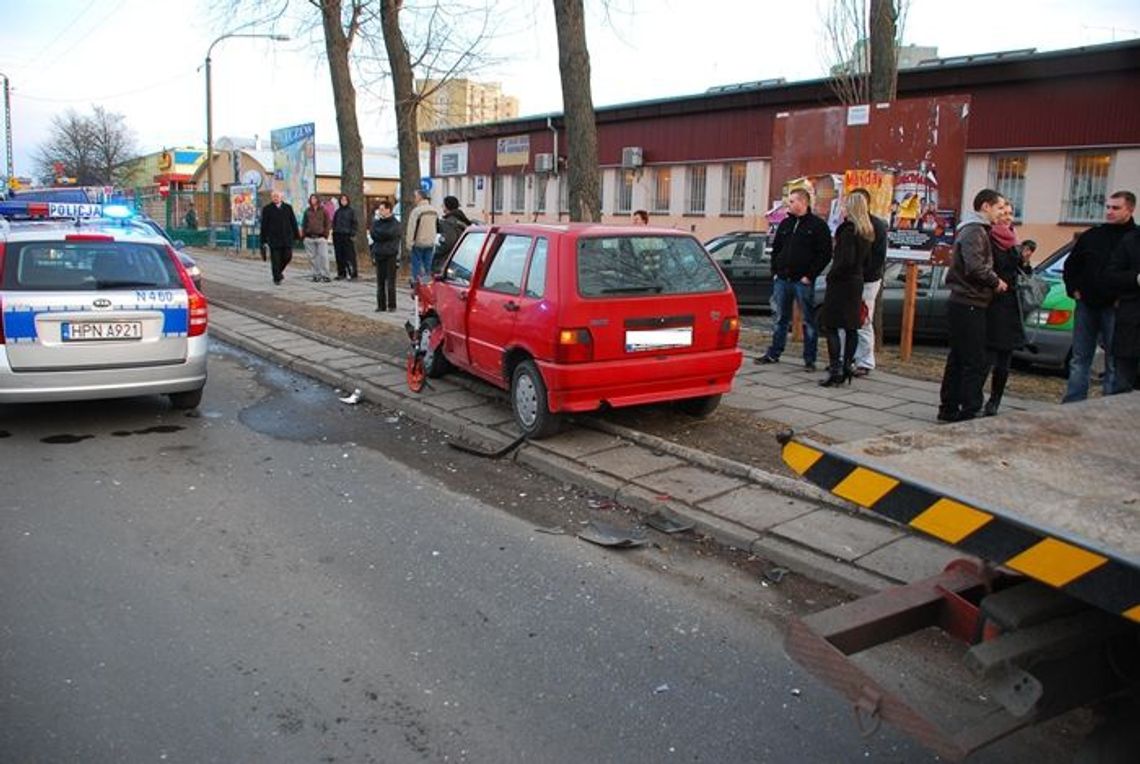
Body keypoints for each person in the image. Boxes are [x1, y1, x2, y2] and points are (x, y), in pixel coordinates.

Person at [938, 189, 1009, 422]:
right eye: (999, 207)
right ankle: (967, 408)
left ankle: (949, 407)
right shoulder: (974, 231)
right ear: (986, 206)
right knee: (973, 359)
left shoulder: (976, 230)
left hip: (966, 300)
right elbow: (975, 267)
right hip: (969, 301)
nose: (1002, 213)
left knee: (960, 358)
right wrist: (996, 281)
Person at [1060, 190, 1136, 402]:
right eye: (1108, 207)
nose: (1109, 211)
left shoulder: (1134, 239)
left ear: (1130, 209)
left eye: (1116, 208)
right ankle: (1073, 402)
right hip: (1086, 304)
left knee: (1114, 359)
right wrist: (1073, 289)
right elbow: (1071, 265)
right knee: (1080, 357)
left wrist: (1125, 298)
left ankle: (1108, 404)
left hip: (1117, 307)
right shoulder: (1093, 235)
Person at [755, 187, 832, 370]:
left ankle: (810, 359)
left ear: (803, 202)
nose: (788, 204)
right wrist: (775, 271)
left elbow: (825, 254)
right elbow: (777, 249)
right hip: (782, 279)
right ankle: (774, 352)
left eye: (792, 201)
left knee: (808, 320)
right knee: (780, 317)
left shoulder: (817, 226)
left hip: (802, 280)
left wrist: (810, 275)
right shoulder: (785, 224)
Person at [982, 200, 1032, 415]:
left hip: (1010, 304)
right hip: (991, 301)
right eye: (1003, 212)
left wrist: (1025, 261)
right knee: (985, 356)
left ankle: (995, 400)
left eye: (1011, 213)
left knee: (1004, 358)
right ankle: (975, 397)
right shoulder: (988, 237)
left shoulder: (1013, 240)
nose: (1007, 217)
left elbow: (1022, 272)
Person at [818, 193, 873, 387]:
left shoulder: (848, 231)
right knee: (851, 327)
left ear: (851, 208)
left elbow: (844, 260)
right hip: (856, 282)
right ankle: (848, 365)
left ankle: (836, 369)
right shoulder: (866, 231)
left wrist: (831, 276)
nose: (842, 209)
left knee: (831, 325)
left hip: (841, 283)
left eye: (844, 206)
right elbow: (867, 262)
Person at [850, 188, 888, 377]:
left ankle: (865, 361)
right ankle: (849, 357)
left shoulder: (876, 226)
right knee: (849, 321)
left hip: (867, 281)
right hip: (854, 279)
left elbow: (878, 257)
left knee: (864, 320)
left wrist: (863, 275)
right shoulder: (851, 224)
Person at [1103, 226, 1140, 393]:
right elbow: (1111, 275)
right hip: (1132, 321)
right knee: (1122, 384)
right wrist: (1136, 278)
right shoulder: (1131, 240)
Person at [259, 190, 301, 286]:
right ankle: (277, 278)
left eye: (277, 196)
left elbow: (293, 222)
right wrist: (263, 239)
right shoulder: (267, 209)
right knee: (275, 259)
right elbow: (264, 225)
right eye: (274, 196)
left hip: (286, 238)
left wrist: (297, 236)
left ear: (281, 197)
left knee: (288, 256)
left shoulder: (288, 208)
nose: (275, 198)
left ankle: (278, 272)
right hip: (274, 238)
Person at [370, 200, 401, 312]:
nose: (380, 211)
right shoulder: (377, 222)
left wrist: (380, 235)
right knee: (380, 281)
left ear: (388, 210)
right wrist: (381, 235)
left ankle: (392, 305)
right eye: (379, 209)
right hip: (379, 253)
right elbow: (373, 234)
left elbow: (390, 234)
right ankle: (381, 305)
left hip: (390, 254)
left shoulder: (395, 223)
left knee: (390, 281)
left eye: (382, 209)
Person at [404, 189, 439, 285]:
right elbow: (437, 226)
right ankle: (427, 284)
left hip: (418, 242)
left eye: (415, 196)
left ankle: (418, 284)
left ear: (420, 197)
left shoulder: (416, 211)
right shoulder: (434, 210)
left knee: (417, 265)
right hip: (430, 242)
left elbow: (411, 228)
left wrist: (409, 243)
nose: (414, 199)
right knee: (428, 265)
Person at [433, 195, 471, 273]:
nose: (442, 206)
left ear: (447, 206)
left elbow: (448, 242)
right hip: (462, 260)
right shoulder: (462, 219)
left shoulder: (448, 222)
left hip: (448, 261)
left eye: (443, 204)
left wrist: (435, 252)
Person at [301, 193, 332, 283]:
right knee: (312, 258)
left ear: (318, 199)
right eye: (312, 199)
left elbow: (327, 223)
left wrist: (325, 234)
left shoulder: (324, 211)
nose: (313, 200)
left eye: (314, 198)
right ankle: (316, 274)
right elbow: (304, 223)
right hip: (309, 237)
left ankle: (326, 275)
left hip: (320, 237)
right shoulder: (307, 211)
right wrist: (304, 235)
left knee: (323, 256)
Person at [332, 194, 359, 280]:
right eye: (342, 200)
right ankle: (341, 273)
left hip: (347, 235)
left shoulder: (351, 211)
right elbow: (334, 223)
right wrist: (335, 232)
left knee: (350, 256)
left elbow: (355, 223)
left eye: (345, 200)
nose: (343, 201)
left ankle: (352, 273)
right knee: (339, 256)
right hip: (338, 235)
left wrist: (352, 233)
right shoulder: (338, 212)